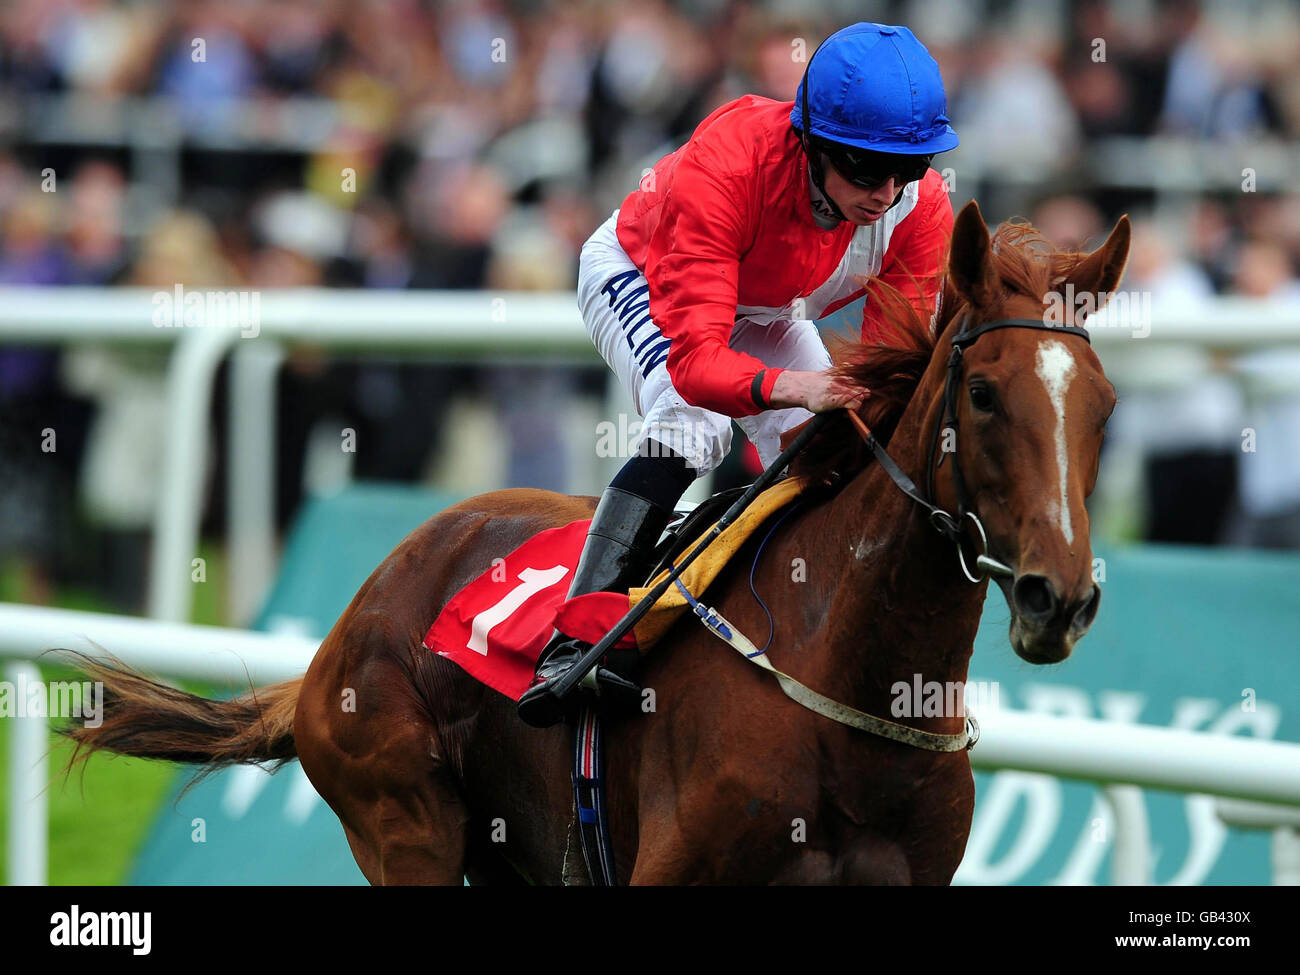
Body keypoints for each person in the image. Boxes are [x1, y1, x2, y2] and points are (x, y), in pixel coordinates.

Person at [518, 22, 959, 727]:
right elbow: (695, 364)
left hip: (765, 305)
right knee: (697, 429)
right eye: (866, 171)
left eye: (906, 171)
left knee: (838, 443)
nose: (887, 194)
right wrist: (794, 386)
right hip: (644, 274)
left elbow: (888, 377)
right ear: (813, 143)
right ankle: (576, 638)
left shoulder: (920, 204)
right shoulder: (729, 162)